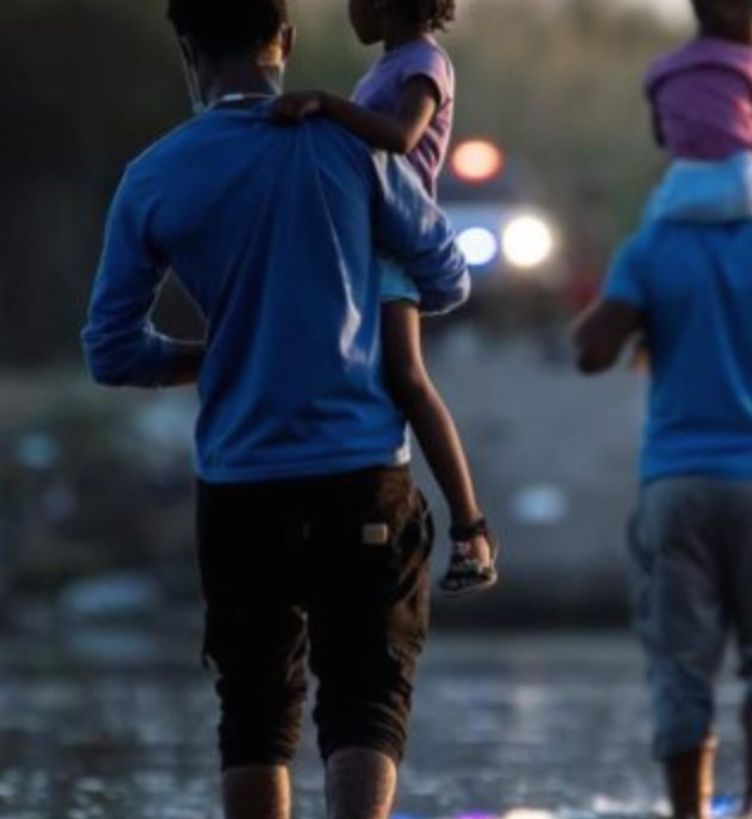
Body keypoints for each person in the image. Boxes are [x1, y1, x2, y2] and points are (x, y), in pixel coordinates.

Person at [81, 1, 469, 816]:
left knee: (254, 713)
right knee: (366, 695)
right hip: (362, 471)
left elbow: (111, 349)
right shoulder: (355, 148)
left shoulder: (154, 174)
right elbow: (446, 276)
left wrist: (217, 353)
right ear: (284, 42)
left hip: (241, 480)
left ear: (188, 50)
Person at [571, 87, 752, 819]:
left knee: (680, 664)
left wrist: (637, 309)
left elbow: (591, 352)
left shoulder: (651, 248)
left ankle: (689, 814)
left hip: (675, 482)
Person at [271, 0, 496, 595]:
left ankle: (471, 527)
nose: (350, 12)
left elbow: (401, 136)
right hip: (361, 240)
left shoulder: (425, 64)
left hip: (393, 243)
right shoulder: (387, 66)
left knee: (407, 377)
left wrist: (324, 104)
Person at [641, 0, 752, 225]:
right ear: (745, 17)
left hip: (682, 186)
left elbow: (660, 135)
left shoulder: (665, 70)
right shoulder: (750, 65)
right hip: (741, 183)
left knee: (652, 221)